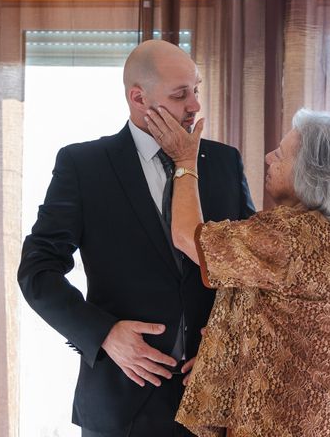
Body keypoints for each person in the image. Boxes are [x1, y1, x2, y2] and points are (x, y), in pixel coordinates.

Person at [17, 39, 255, 437]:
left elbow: (249, 273)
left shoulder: (224, 162)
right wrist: (103, 333)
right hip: (119, 403)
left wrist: (230, 345)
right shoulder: (83, 166)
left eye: (195, 89)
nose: (194, 105)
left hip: (213, 401)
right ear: (138, 97)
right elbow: (37, 271)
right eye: (180, 95)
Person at [145, 107, 330, 437]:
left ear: (309, 174)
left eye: (281, 154)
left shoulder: (291, 238)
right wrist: (226, 356)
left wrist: (185, 161)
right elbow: (298, 333)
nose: (269, 157)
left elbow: (187, 235)